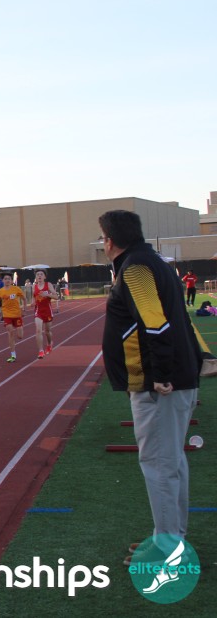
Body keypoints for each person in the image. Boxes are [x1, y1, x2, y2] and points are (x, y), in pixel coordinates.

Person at [99, 210, 201, 568]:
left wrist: (160, 374)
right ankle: (170, 537)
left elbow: (155, 324)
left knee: (159, 464)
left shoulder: (137, 267)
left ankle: (169, 549)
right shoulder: (151, 262)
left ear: (110, 240)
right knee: (170, 462)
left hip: (160, 386)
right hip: (175, 379)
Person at [0, 272, 25, 362]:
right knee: (10, 333)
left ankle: (21, 327)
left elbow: (24, 299)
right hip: (6, 315)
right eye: (5, 279)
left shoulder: (16, 289)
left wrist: (24, 309)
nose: (7, 280)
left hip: (17, 314)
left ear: (11, 281)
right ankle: (13, 355)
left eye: (9, 279)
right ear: (2, 280)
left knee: (20, 336)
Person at [32, 269, 59, 359]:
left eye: (41, 274)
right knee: (38, 330)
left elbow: (56, 297)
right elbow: (34, 297)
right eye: (37, 274)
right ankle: (41, 351)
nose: (39, 276)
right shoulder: (34, 286)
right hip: (38, 311)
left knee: (47, 331)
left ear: (44, 277)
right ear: (36, 277)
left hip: (47, 311)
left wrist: (47, 295)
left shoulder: (48, 285)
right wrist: (32, 302)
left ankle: (49, 344)